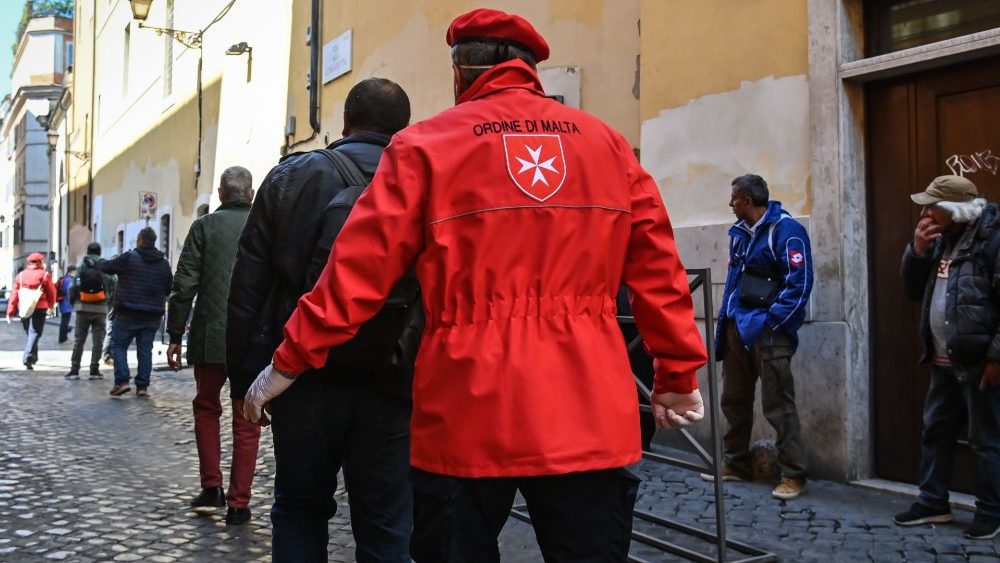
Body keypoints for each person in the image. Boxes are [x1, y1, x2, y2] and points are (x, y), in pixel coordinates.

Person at [240, 9, 708, 562]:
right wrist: (677, 373)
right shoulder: (607, 146)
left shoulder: (425, 148)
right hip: (587, 409)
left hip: (465, 408)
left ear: (460, 71)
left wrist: (288, 361)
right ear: (532, 69)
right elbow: (659, 271)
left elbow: (355, 275)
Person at [228, 78, 414, 561]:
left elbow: (249, 283)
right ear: (403, 128)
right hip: (393, 375)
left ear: (346, 123)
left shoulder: (293, 175)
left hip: (302, 372)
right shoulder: (421, 178)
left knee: (299, 509)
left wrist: (245, 380)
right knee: (387, 522)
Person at [896, 175, 1000, 540]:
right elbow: (911, 289)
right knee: (936, 432)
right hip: (942, 360)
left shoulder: (992, 239)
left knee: (986, 440)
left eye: (932, 205)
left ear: (956, 209)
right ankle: (933, 502)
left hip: (977, 362)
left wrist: (996, 358)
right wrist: (918, 250)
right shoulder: (941, 239)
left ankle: (991, 511)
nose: (924, 211)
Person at [708, 174, 813, 500]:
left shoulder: (786, 231)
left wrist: (774, 322)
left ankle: (794, 474)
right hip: (737, 327)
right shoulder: (739, 234)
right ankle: (736, 463)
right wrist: (725, 322)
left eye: (734, 199)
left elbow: (800, 281)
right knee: (734, 399)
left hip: (769, 333)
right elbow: (733, 280)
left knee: (778, 404)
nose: (730, 204)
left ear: (748, 201)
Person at [167, 167, 260, 526]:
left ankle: (212, 487)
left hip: (210, 335)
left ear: (221, 193)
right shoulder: (264, 223)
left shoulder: (204, 227)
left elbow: (184, 283)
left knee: (207, 407)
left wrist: (175, 335)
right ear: (250, 193)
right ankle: (239, 503)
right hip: (252, 338)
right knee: (247, 416)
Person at [98, 227, 172, 397]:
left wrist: (99, 261)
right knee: (145, 349)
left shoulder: (129, 257)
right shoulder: (163, 263)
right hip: (153, 314)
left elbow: (107, 267)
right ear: (154, 242)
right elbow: (169, 288)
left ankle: (122, 381)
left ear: (139, 241)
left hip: (128, 312)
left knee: (119, 345)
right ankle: (142, 387)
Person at [66, 243, 115, 380]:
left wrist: (74, 302)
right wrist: (109, 302)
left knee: (79, 340)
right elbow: (114, 283)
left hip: (83, 308)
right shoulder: (104, 266)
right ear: (99, 252)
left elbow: (72, 286)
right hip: (100, 308)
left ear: (88, 252)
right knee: (98, 340)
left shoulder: (82, 266)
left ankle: (74, 370)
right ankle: (94, 370)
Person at [7, 253, 57, 370]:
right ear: (40, 262)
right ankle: (28, 357)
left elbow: (14, 294)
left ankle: (34, 356)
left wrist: (11, 311)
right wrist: (51, 305)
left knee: (30, 333)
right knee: (35, 332)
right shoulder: (44, 275)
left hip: (24, 307)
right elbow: (51, 292)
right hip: (40, 307)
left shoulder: (21, 275)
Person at [56, 265, 76, 343]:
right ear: (72, 271)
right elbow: (69, 292)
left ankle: (63, 337)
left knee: (64, 321)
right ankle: (63, 339)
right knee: (65, 322)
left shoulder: (65, 278)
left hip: (64, 303)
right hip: (66, 303)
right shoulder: (68, 280)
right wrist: (72, 302)